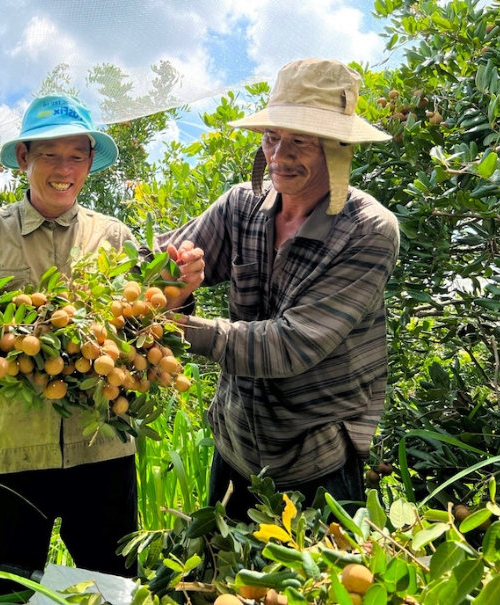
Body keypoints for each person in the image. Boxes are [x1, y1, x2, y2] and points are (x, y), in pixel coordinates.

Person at [156, 58, 400, 519]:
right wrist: (175, 277)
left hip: (317, 463)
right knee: (222, 585)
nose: (278, 156)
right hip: (235, 449)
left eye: (300, 142)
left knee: (314, 587)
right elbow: (161, 264)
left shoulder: (367, 231)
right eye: (273, 137)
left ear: (337, 147)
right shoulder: (241, 205)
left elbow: (290, 345)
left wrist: (175, 325)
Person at [0, 93, 169, 600]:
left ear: (91, 162)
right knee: (1, 592)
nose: (63, 168)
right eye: (49, 154)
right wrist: (36, 332)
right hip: (10, 451)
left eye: (76, 155)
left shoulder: (113, 236)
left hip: (102, 451)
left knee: (116, 589)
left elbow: (142, 329)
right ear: (24, 158)